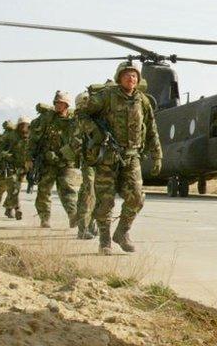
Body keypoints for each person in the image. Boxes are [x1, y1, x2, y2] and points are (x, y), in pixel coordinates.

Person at [76, 62, 161, 255]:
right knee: (105, 201)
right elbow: (82, 114)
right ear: (119, 77)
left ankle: (122, 233)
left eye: (134, 76)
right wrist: (96, 133)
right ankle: (104, 241)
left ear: (138, 80)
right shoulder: (106, 97)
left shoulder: (143, 101)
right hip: (107, 157)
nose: (130, 79)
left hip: (132, 157)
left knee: (137, 198)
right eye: (126, 75)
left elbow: (152, 128)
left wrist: (157, 155)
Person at [29, 91, 79, 228]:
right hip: (48, 161)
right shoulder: (47, 118)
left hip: (67, 162)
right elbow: (33, 139)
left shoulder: (75, 119)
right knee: (44, 190)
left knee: (68, 190)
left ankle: (73, 216)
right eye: (56, 102)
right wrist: (29, 157)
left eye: (61, 102)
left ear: (67, 104)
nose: (58, 105)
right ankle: (44, 218)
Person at [71, 90, 100, 240]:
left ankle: (91, 224)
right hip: (88, 161)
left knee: (96, 193)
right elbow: (75, 142)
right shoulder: (79, 120)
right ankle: (82, 228)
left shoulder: (95, 118)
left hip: (99, 160)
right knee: (89, 192)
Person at [0, 117, 32, 220]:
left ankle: (8, 209)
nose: (24, 127)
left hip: (24, 167)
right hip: (10, 166)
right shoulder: (10, 135)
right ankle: (18, 209)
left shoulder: (32, 136)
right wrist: (7, 155)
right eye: (22, 124)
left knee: (15, 189)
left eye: (26, 124)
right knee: (14, 187)